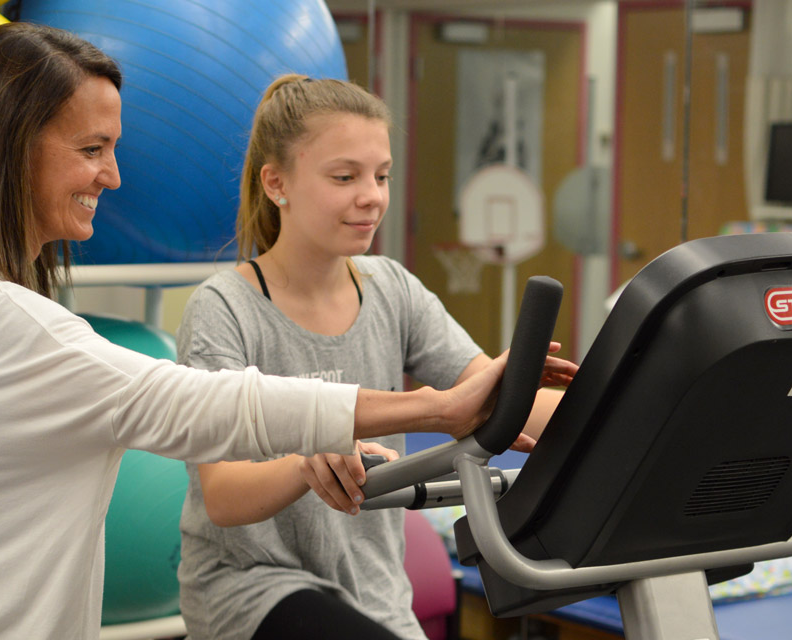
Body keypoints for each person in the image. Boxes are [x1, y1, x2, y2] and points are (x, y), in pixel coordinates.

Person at [0, 24, 575, 640]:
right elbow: (210, 408)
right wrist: (431, 410)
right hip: (246, 592)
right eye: (91, 151)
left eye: (379, 176)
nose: (115, 177)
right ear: (8, 150)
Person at [175, 74, 575, 640]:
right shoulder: (224, 308)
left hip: (375, 592)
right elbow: (221, 495)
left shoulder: (391, 288)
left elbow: (495, 397)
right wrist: (303, 463)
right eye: (345, 177)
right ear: (276, 182)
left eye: (382, 176)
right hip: (253, 589)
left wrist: (630, 413)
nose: (373, 196)